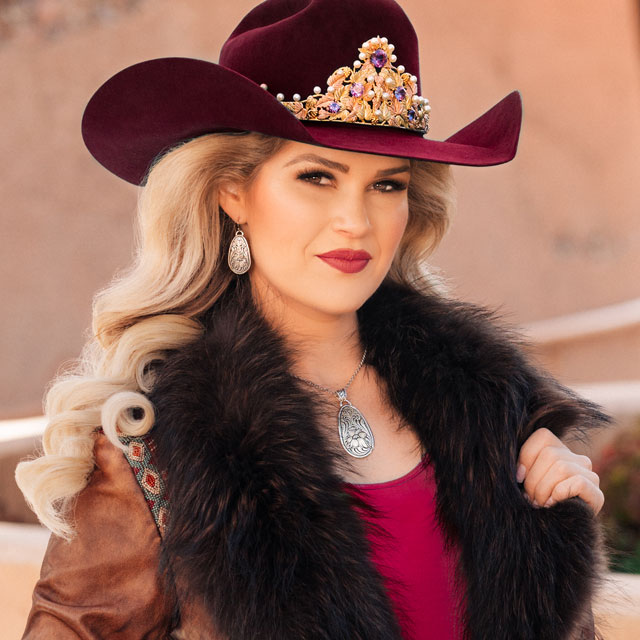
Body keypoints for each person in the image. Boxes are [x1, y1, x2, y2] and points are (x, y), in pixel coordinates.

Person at [16, 0, 610, 638]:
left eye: (387, 184)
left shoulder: (497, 415)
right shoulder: (153, 449)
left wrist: (559, 532)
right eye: (317, 177)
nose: (356, 220)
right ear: (232, 192)